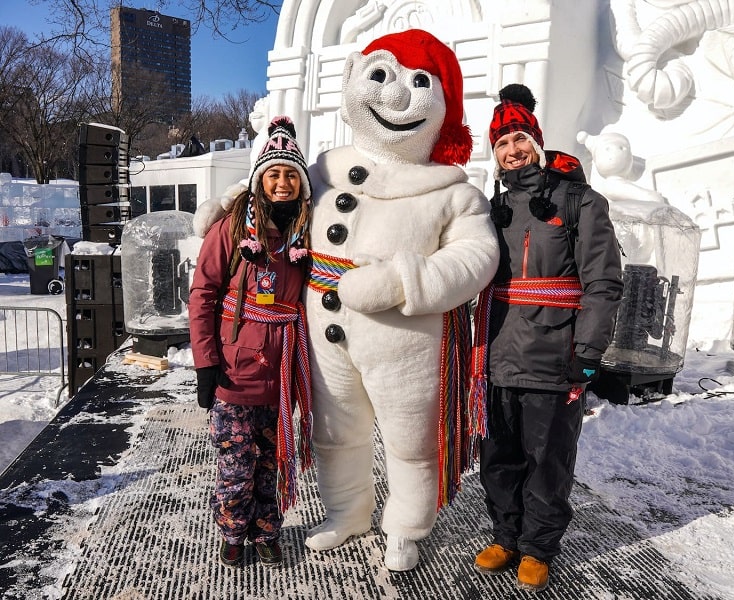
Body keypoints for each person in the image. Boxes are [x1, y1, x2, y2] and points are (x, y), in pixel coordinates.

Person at [302, 29, 499, 571]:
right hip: (324, 335)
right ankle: (347, 512)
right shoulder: (321, 170)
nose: (395, 97)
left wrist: (400, 283)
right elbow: (278, 201)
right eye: (383, 76)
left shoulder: (452, 192)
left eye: (418, 83)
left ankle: (407, 528)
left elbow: (475, 259)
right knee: (335, 431)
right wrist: (234, 207)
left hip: (405, 345)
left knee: (411, 440)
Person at [469, 84, 623, 591]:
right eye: (502, 144)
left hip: (554, 354)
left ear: (536, 141)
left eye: (519, 138)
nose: (513, 150)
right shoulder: (491, 210)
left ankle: (539, 545)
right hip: (495, 354)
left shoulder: (579, 201)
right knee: (499, 455)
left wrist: (588, 351)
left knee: (548, 457)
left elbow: (602, 282)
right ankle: (506, 534)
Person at [188, 116, 313, 568]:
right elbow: (202, 294)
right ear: (260, 180)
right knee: (235, 465)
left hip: (282, 375)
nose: (282, 183)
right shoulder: (232, 229)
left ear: (301, 184)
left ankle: (266, 531)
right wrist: (205, 363)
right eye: (274, 174)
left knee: (272, 464)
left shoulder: (305, 234)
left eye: (291, 176)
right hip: (234, 372)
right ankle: (234, 532)